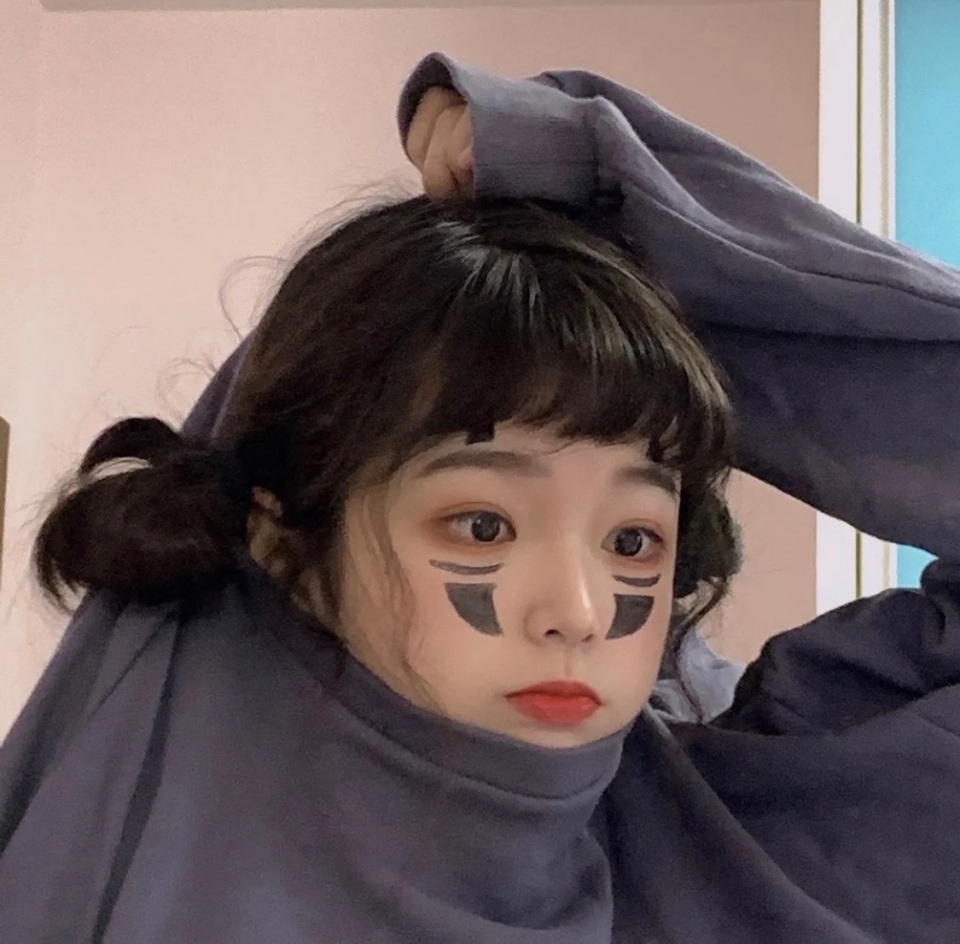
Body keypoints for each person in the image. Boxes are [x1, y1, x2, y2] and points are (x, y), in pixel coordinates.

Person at [0, 52, 958, 944]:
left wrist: (620, 212)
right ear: (285, 542)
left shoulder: (743, 851)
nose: (578, 612)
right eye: (483, 525)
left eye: (632, 540)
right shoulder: (128, 888)